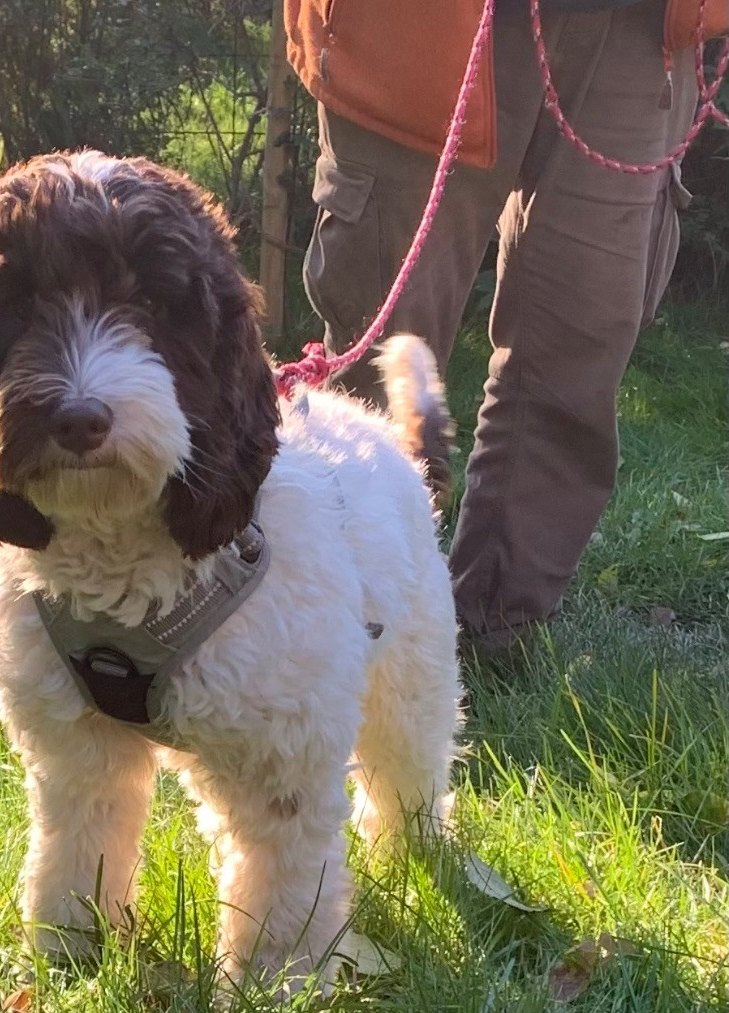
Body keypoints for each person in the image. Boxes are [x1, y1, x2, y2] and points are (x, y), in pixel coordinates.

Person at [284, 0, 726, 657]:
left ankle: (496, 630)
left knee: (578, 351)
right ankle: (341, 624)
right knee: (379, 361)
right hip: (419, 24)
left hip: (640, 29)